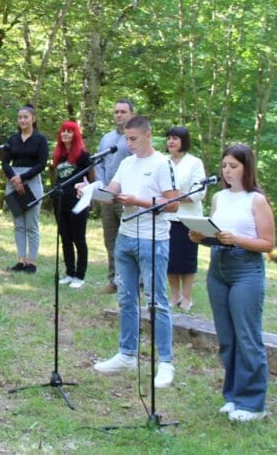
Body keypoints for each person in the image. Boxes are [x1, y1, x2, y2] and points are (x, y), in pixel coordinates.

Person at [83, 115, 180, 388]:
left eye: (133, 138)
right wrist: (90, 191)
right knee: (126, 298)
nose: (129, 143)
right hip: (125, 236)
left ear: (148, 135)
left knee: (156, 300)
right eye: (126, 138)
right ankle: (126, 354)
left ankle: (165, 362)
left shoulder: (162, 164)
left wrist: (139, 200)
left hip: (152, 238)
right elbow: (111, 192)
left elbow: (173, 203)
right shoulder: (126, 163)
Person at [189, 143, 275, 422]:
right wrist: (200, 237)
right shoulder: (219, 198)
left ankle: (253, 404)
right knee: (226, 337)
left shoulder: (256, 200)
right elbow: (217, 235)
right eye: (224, 165)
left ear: (246, 168)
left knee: (247, 336)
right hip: (218, 268)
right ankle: (234, 396)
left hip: (245, 270)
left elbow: (267, 243)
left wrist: (236, 239)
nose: (227, 171)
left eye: (233, 166)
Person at [1, 104, 49, 274]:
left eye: (25, 117)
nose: (22, 120)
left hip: (32, 181)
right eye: (20, 117)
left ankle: (32, 262)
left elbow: (42, 164)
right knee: (19, 225)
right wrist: (14, 178)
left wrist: (22, 178)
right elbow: (5, 162)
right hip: (13, 181)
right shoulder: (12, 139)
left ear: (33, 119)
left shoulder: (40, 139)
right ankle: (21, 260)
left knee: (31, 224)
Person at [165, 125, 207, 311]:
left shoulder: (194, 162)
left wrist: (177, 196)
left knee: (187, 260)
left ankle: (187, 297)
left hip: (188, 218)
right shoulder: (163, 161)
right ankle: (175, 295)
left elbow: (199, 191)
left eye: (175, 138)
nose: (171, 142)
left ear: (184, 141)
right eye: (169, 138)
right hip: (167, 216)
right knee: (169, 259)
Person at [51, 121, 95, 288]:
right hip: (60, 201)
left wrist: (89, 197)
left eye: (69, 131)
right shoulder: (59, 154)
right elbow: (56, 176)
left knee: (78, 239)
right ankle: (69, 273)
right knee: (65, 238)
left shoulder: (83, 155)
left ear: (75, 134)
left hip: (77, 202)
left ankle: (80, 276)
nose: (65, 134)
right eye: (63, 131)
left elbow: (91, 177)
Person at [96, 99, 134, 293]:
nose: (119, 115)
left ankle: (136, 283)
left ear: (132, 114)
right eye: (116, 112)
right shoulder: (107, 139)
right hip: (107, 197)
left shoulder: (134, 139)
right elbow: (99, 164)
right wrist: (103, 188)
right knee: (110, 240)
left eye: (123, 112)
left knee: (130, 240)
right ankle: (114, 281)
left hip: (127, 198)